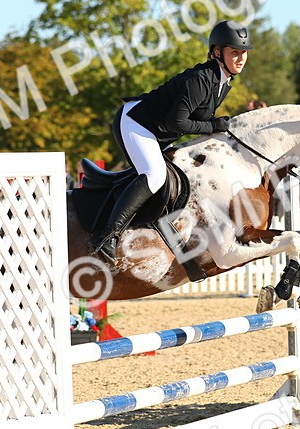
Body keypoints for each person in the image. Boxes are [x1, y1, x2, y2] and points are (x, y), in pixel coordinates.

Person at [87, 20, 251, 261]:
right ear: (217, 52)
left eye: (243, 52)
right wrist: (212, 126)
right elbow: (179, 123)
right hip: (136, 122)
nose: (240, 58)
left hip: (158, 131)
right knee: (154, 174)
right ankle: (105, 237)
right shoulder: (200, 80)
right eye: (234, 52)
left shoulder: (223, 83)